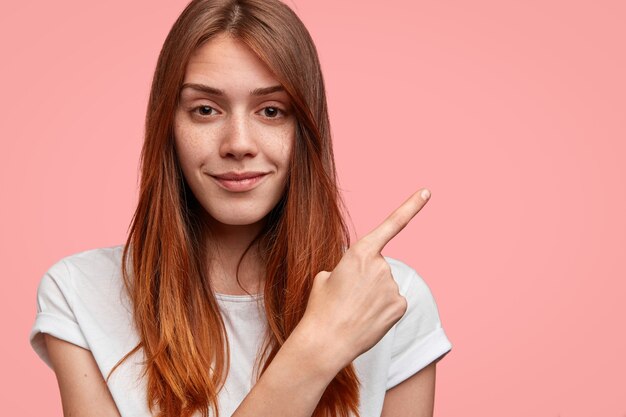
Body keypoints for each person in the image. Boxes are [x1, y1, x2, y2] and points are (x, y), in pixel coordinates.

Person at [29, 0, 452, 416]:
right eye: (205, 110)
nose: (238, 144)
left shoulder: (389, 299)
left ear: (305, 128)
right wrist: (316, 349)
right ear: (169, 125)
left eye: (271, 111)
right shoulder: (79, 294)